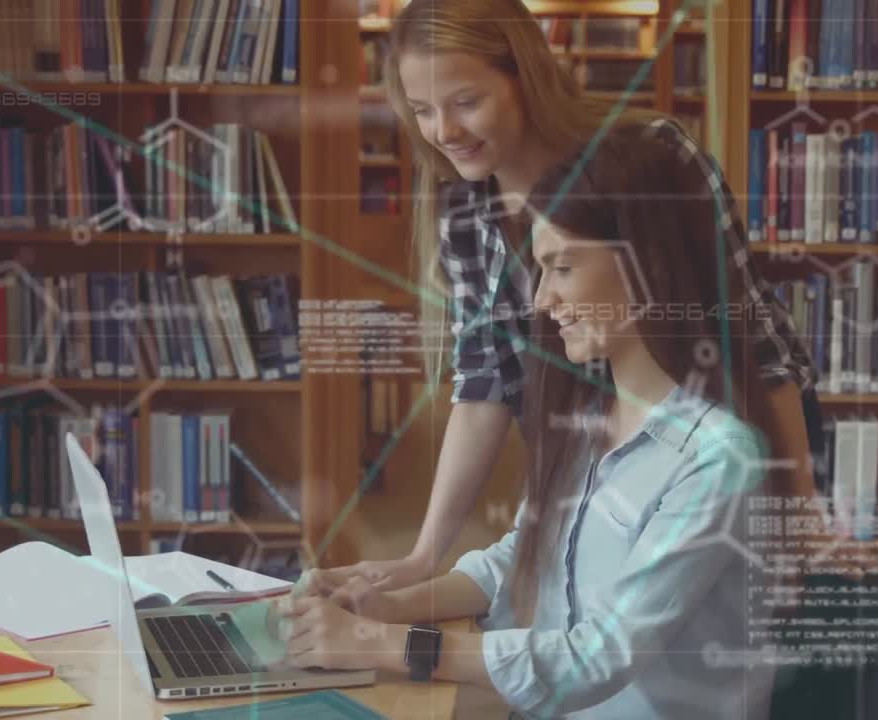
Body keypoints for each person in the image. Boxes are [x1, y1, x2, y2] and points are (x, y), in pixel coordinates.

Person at [278, 135, 777, 720]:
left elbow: (594, 660)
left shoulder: (718, 460)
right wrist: (383, 606)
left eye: (562, 268)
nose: (543, 300)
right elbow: (523, 557)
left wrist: (382, 644)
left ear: (649, 266)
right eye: (540, 271)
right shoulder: (584, 417)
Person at [326, 0, 818, 591]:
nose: (444, 133)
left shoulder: (652, 158)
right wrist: (423, 555)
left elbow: (756, 349)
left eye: (466, 102)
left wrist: (798, 524)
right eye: (424, 111)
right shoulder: (463, 208)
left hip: (713, 448)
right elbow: (485, 378)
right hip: (592, 453)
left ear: (524, 76)